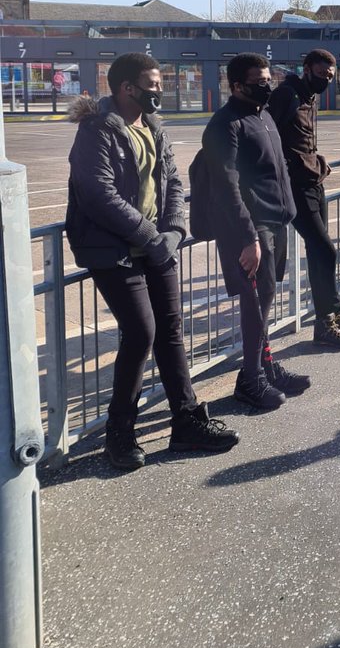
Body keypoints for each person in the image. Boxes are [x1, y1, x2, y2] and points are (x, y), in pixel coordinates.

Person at [66, 53, 239, 470]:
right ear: (127, 87)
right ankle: (119, 435)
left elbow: (173, 182)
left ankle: (187, 423)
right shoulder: (97, 130)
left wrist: (175, 231)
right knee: (142, 333)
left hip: (158, 247)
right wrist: (148, 235)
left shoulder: (154, 128)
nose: (159, 90)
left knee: (171, 332)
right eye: (152, 83)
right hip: (114, 249)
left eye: (159, 83)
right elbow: (98, 194)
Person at [203, 53, 311, 411]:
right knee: (254, 305)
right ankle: (250, 380)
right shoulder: (225, 124)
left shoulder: (262, 116)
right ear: (236, 86)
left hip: (276, 221)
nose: (267, 86)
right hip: (251, 229)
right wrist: (248, 237)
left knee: (265, 301)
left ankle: (264, 367)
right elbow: (227, 185)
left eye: (269, 79)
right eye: (259, 81)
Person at [268, 49, 340, 347]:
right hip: (294, 188)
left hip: (314, 182)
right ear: (306, 68)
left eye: (330, 76)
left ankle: (328, 319)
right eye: (321, 74)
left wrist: (315, 160)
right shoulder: (286, 95)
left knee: (318, 253)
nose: (326, 80)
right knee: (325, 250)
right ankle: (330, 314)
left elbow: (302, 141)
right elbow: (269, 137)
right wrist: (290, 168)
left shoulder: (309, 98)